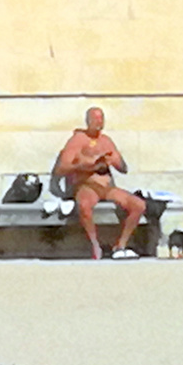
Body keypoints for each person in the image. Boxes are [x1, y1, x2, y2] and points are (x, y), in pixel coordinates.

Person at [54, 106, 145, 260]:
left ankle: (120, 245)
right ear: (88, 121)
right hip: (87, 185)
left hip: (108, 188)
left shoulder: (106, 141)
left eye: (101, 118)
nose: (99, 121)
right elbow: (61, 168)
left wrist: (115, 161)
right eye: (95, 118)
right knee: (84, 206)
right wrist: (86, 165)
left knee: (139, 205)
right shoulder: (78, 140)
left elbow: (124, 168)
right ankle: (95, 245)